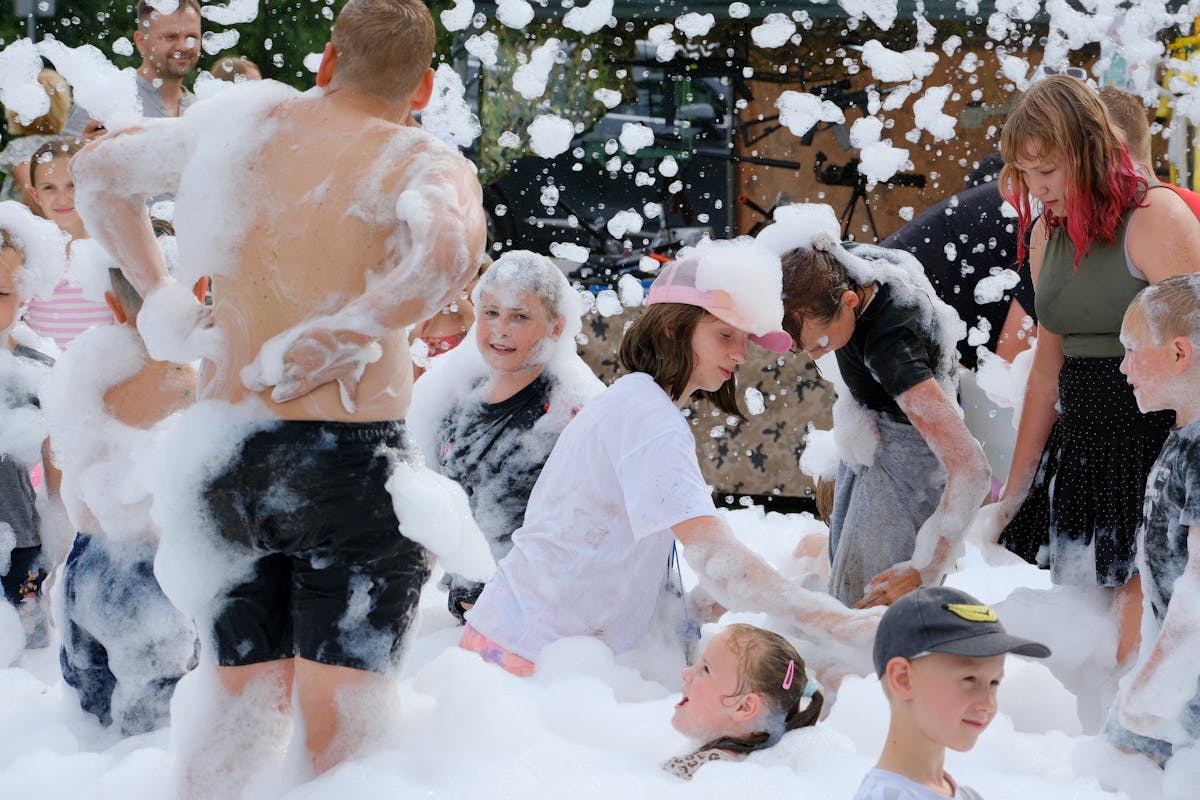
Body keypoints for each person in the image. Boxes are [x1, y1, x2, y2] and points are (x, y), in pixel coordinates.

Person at [72, 0, 485, 784]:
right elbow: (451, 248)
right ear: (425, 85)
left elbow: (97, 172)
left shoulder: (242, 131)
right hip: (349, 467)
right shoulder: (415, 157)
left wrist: (159, 294)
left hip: (225, 457)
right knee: (343, 745)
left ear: (328, 61)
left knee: (231, 713)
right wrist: (350, 327)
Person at [462, 238, 879, 678]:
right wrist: (835, 621)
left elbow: (620, 550)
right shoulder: (650, 419)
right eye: (724, 335)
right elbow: (714, 553)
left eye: (743, 341)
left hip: (513, 644)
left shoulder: (634, 402)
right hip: (525, 659)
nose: (739, 355)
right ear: (671, 328)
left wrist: (701, 604)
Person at [993, 75, 1200, 669]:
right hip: (1083, 450)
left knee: (1143, 641)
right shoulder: (1043, 233)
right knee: (1085, 646)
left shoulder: (1155, 217)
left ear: (1088, 150)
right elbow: (1045, 370)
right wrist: (1017, 487)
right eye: (1025, 175)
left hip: (1157, 446)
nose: (1036, 190)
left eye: (1048, 172)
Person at [779, 235, 990, 609]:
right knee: (842, 595)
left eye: (820, 343)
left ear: (849, 302)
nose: (814, 358)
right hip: (868, 427)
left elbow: (971, 468)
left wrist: (923, 568)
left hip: (910, 459)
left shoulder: (891, 347)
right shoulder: (842, 263)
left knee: (866, 605)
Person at [408, 250, 603, 622]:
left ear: (556, 327)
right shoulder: (452, 404)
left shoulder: (570, 413)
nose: (500, 329)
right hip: (471, 617)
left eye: (520, 316)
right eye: (491, 313)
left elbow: (593, 533)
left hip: (543, 622)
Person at [46, 268, 200, 735]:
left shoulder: (85, 366)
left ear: (112, 307)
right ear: (199, 295)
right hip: (148, 575)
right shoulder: (189, 381)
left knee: (88, 727)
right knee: (153, 735)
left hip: (85, 566)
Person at [1105, 275, 1200, 767]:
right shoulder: (1182, 434)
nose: (1122, 367)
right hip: (1176, 674)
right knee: (1119, 758)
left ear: (1179, 353)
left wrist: (1154, 683)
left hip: (1187, 687)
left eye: (1131, 349)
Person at [854, 586, 1050, 800]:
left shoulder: (967, 795)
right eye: (969, 679)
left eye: (994, 682)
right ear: (903, 679)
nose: (987, 703)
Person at [0, 202, 66, 648]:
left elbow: (56, 462)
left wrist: (61, 545)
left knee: (27, 646)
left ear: (25, 295)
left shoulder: (36, 369)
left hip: (20, 540)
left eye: (1, 293)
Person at [662, 623, 825, 780]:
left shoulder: (697, 772)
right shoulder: (760, 768)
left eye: (706, 669)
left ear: (744, 707)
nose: (685, 673)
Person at [23, 139, 116, 348]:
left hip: (101, 370)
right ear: (35, 195)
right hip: (43, 371)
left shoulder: (110, 252)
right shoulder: (28, 255)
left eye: (72, 185)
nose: (62, 198)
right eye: (49, 188)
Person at [64, 0, 202, 138]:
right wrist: (86, 147)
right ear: (141, 42)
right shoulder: (106, 98)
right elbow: (63, 158)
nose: (183, 46)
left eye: (192, 37)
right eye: (170, 37)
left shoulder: (201, 109)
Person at [0, 69, 72, 204]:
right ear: (61, 106)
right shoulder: (66, 145)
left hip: (23, 221)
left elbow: (28, 188)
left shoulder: (20, 148)